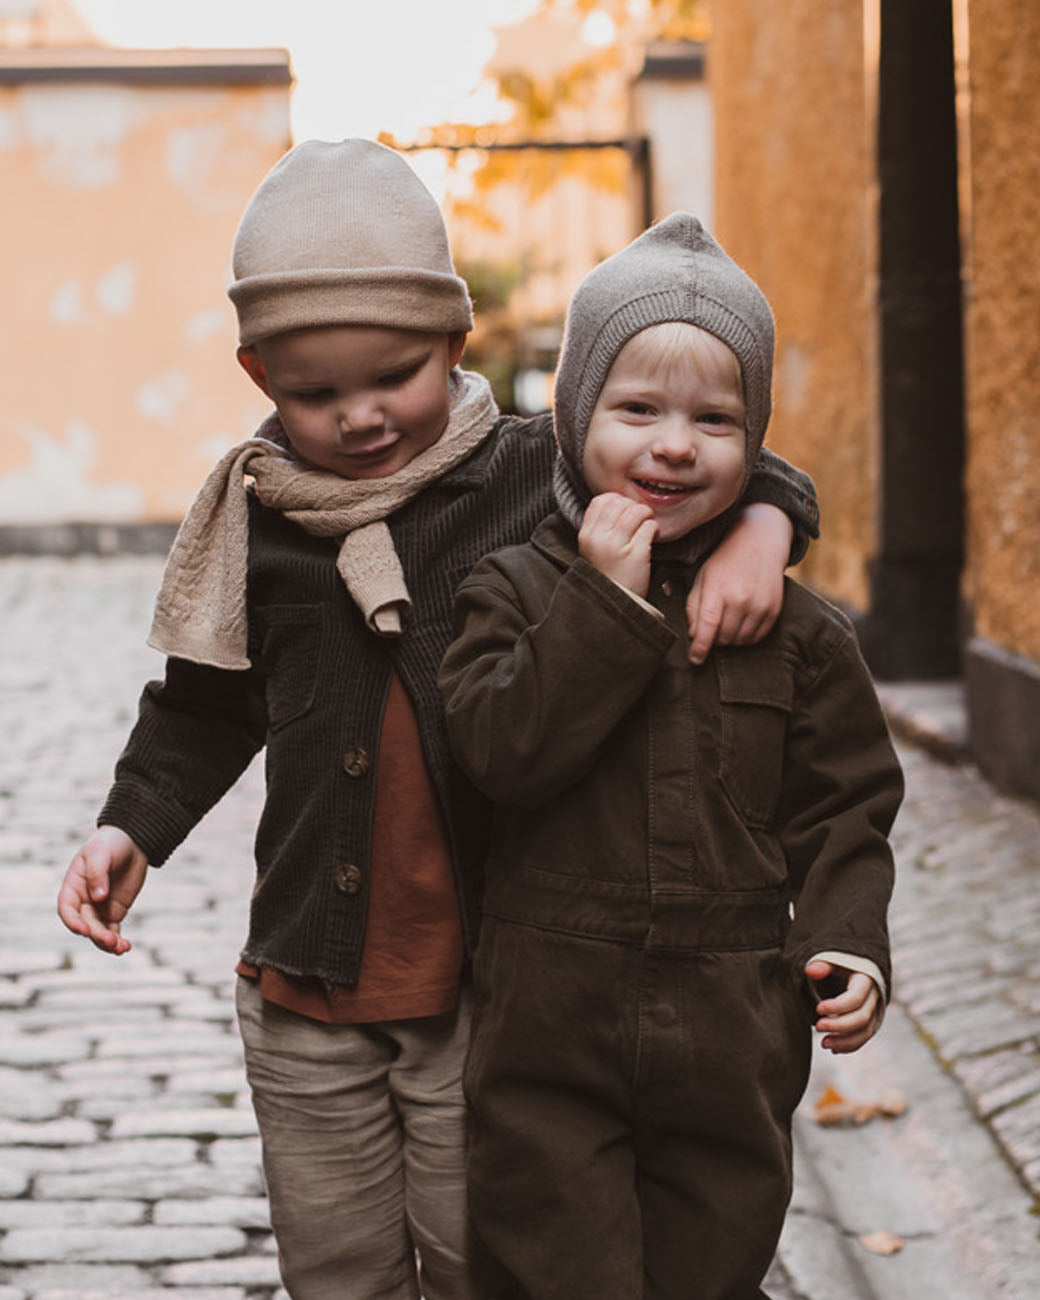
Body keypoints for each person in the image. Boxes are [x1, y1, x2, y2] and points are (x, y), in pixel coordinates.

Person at [56, 140, 819, 1300]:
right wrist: (130, 828)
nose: (360, 416)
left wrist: (768, 521)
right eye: (315, 393)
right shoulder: (258, 518)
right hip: (308, 979)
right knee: (339, 1268)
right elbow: (204, 707)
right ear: (258, 374)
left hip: (492, 985)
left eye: (394, 376)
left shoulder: (527, 478)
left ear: (455, 344)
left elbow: (698, 464)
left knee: (492, 1265)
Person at [438, 212, 904, 1300]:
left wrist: (850, 947)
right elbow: (497, 752)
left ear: (757, 439)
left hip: (728, 1034)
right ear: (572, 416)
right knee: (558, 1271)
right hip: (548, 1018)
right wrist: (603, 603)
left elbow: (845, 809)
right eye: (635, 409)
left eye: (715, 418)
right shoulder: (510, 589)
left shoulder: (799, 632)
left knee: (713, 1272)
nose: (674, 444)